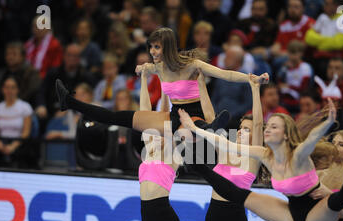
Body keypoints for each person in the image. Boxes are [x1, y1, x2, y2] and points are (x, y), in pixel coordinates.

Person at [178, 98, 343, 221]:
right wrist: (194, 128)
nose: (268, 130)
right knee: (241, 196)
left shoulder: (299, 155)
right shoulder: (265, 154)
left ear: (285, 135)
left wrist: (327, 123)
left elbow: (311, 139)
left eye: (274, 127)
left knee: (334, 200)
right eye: (269, 127)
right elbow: (225, 143)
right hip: (290, 214)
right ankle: (198, 167)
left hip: (315, 216)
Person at [56, 27, 269, 140]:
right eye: (151, 47)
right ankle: (70, 102)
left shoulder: (192, 65)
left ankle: (208, 129)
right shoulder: (157, 66)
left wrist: (253, 78)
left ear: (167, 46)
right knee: (117, 117)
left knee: (189, 131)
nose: (152, 52)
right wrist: (142, 69)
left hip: (195, 113)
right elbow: (145, 68)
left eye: (156, 48)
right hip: (173, 115)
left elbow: (226, 74)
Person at [199, 72, 263, 221]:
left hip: (235, 220)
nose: (243, 133)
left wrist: (254, 88)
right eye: (241, 129)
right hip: (212, 218)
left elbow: (258, 122)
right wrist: (200, 82)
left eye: (248, 131)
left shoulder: (254, 159)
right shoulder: (224, 150)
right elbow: (210, 117)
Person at [137, 67, 182, 221]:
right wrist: (144, 78)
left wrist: (164, 78)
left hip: (165, 220)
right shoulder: (147, 152)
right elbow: (144, 112)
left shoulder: (170, 151)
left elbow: (164, 112)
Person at [0, 77, 36, 168]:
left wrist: (13, 146)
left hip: (19, 143)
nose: (9, 90)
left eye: (12, 87)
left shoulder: (25, 107)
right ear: (3, 89)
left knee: (23, 155)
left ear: (17, 90)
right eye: (7, 87)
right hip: (2, 142)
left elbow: (26, 132)